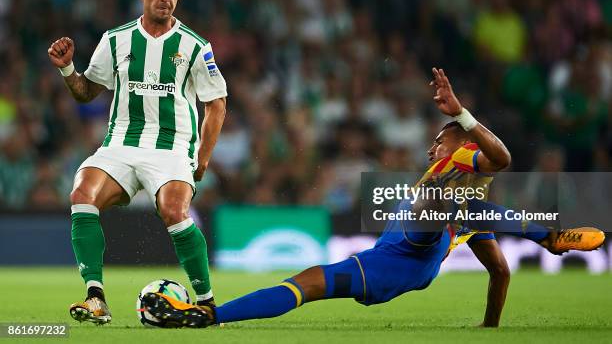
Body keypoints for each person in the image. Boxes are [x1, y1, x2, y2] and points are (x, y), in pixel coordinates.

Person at [141, 68, 604, 328]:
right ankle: (548, 236)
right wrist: (490, 327)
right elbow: (500, 272)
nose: (431, 148)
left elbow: (500, 158)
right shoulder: (450, 186)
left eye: (439, 140)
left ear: (457, 141)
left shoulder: (458, 165)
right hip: (407, 257)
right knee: (454, 208)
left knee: (307, 282)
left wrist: (461, 115)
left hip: (399, 262)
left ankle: (210, 315)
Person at [47, 0, 227, 324]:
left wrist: (202, 158)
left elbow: (217, 104)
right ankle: (95, 297)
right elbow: (86, 91)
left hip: (172, 147)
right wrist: (67, 69)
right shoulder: (116, 40)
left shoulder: (195, 46)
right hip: (120, 145)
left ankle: (206, 301)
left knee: (175, 212)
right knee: (81, 195)